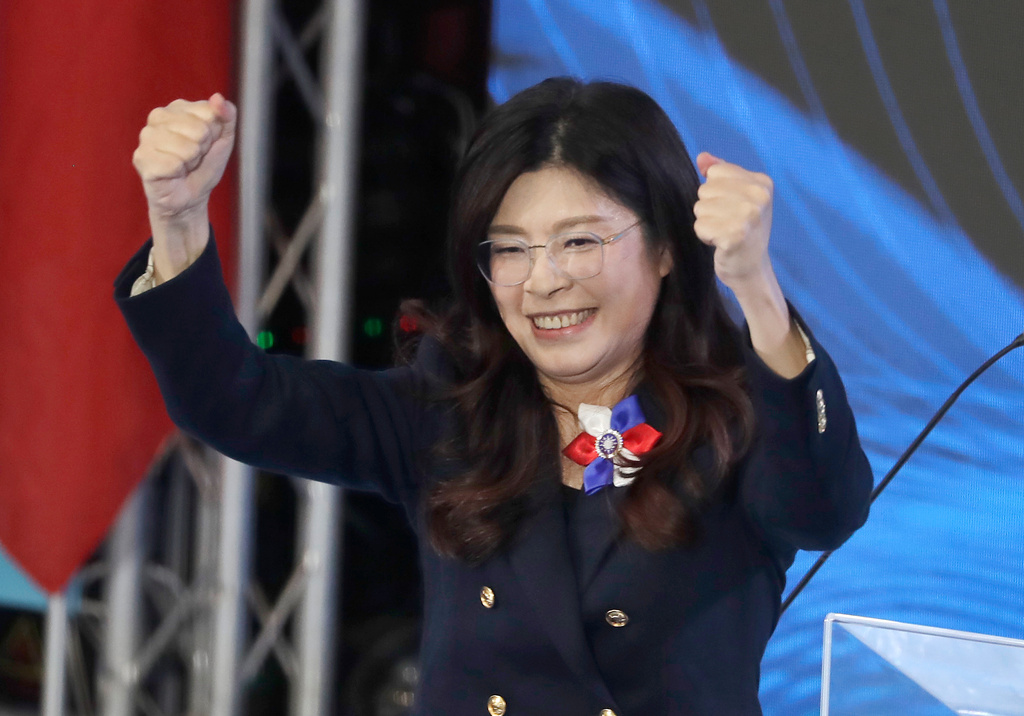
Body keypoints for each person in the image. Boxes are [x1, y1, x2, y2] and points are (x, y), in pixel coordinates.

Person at [116, 78, 872, 715]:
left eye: (581, 241)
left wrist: (757, 290)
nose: (544, 281)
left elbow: (823, 510)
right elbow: (236, 400)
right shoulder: (453, 410)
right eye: (510, 249)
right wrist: (178, 221)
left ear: (670, 246)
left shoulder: (738, 414)